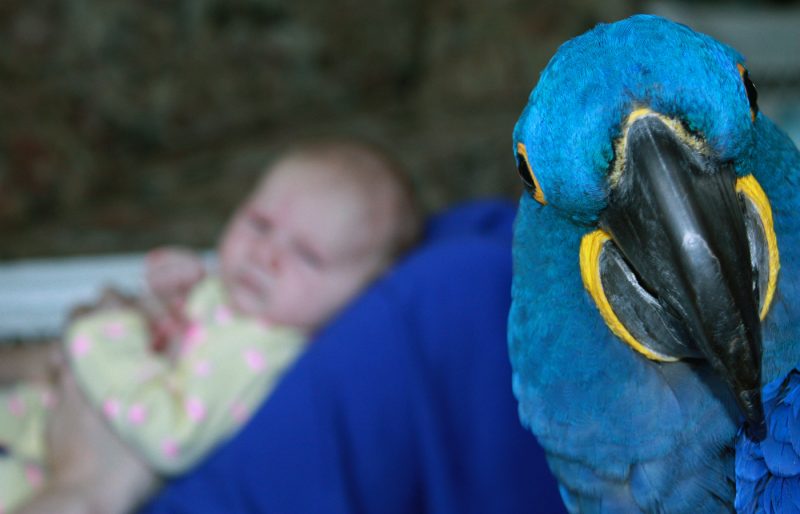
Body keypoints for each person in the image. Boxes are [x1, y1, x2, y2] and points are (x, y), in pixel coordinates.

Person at [0, 137, 422, 514]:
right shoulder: (249, 305)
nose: (265, 254)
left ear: (361, 297)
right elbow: (186, 342)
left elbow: (170, 435)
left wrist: (108, 336)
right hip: (49, 414)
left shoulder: (262, 355)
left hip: (60, 460)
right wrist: (181, 297)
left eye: (308, 255)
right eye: (259, 224)